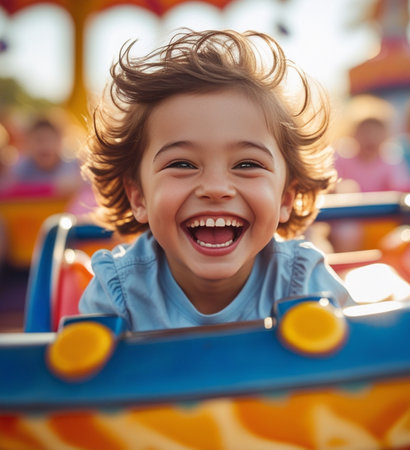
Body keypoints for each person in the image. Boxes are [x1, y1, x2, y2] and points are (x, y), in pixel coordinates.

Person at [78, 29, 352, 331]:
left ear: (286, 197)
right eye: (182, 163)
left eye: (247, 164)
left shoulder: (302, 282)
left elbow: (361, 363)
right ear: (138, 197)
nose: (216, 188)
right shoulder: (118, 293)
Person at [333, 95, 410, 194]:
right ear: (353, 134)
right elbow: (330, 187)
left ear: (385, 135)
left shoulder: (392, 162)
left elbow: (401, 190)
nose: (370, 137)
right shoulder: (341, 159)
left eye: (376, 132)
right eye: (364, 131)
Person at [9, 117, 82, 197]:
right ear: (29, 144)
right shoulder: (21, 168)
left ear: (59, 141)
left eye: (49, 139)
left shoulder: (73, 166)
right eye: (39, 140)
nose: (45, 145)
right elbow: (8, 189)